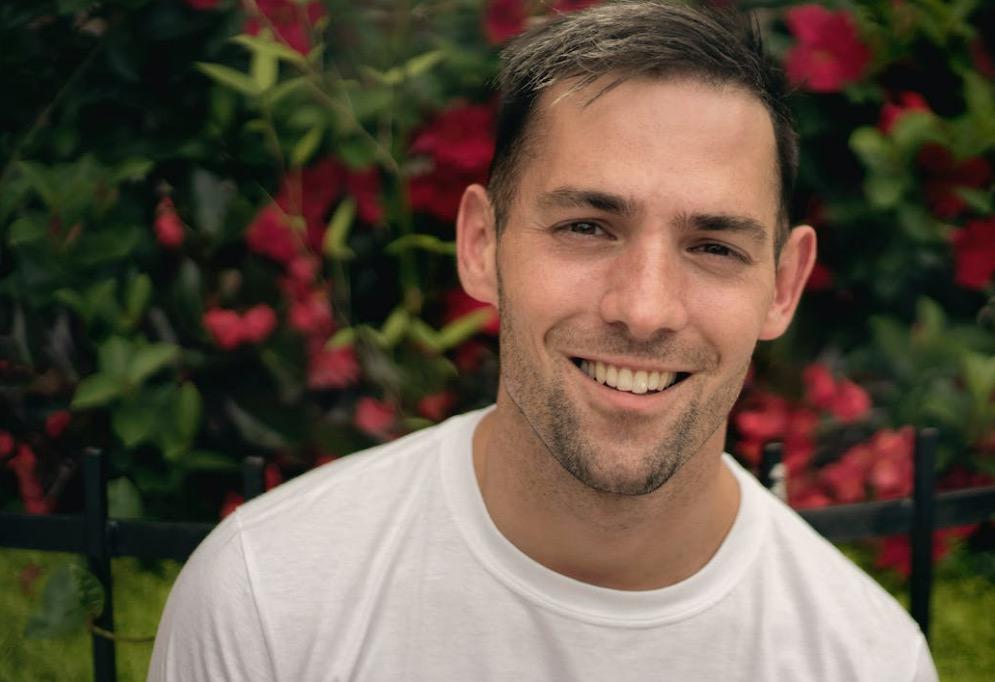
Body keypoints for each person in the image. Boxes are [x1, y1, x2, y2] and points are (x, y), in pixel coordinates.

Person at [149, 2, 937, 680]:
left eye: (713, 247)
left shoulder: (866, 661)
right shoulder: (268, 598)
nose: (646, 309)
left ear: (784, 285)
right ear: (483, 246)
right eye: (587, 227)